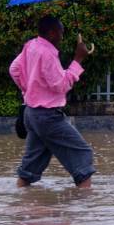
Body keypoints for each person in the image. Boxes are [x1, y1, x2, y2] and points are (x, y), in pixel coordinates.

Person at [10, 15, 96, 189]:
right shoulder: (48, 54)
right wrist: (78, 59)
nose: (62, 37)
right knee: (83, 156)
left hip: (31, 114)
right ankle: (87, 209)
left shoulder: (31, 45)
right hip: (48, 117)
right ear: (51, 33)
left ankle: (21, 203)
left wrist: (29, 90)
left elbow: (14, 69)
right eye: (61, 32)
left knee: (30, 167)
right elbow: (61, 85)